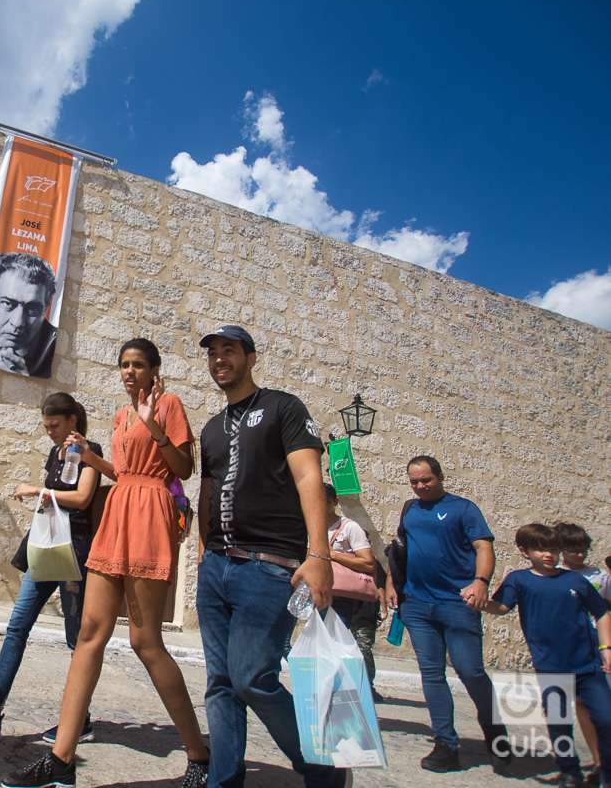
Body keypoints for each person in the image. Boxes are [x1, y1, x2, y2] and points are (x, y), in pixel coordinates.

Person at [0, 339, 208, 788]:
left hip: (150, 512)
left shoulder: (168, 404)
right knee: (90, 634)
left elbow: (182, 469)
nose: (129, 372)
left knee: (145, 641)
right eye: (124, 365)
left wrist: (154, 427)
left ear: (154, 369)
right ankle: (61, 760)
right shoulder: (120, 413)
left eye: (137, 365)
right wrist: (95, 461)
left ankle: (198, 753)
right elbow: (125, 471)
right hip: (118, 511)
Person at [192, 324, 343, 788]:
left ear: (251, 357)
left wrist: (319, 555)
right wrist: (202, 553)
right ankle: (224, 778)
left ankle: (321, 766)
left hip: (269, 563)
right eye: (214, 352)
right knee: (219, 683)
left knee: (252, 677)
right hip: (216, 566)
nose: (220, 359)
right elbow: (208, 489)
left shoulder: (283, 407)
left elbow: (307, 479)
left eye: (230, 350)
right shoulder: (212, 428)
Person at [0, 392, 102, 743]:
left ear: (72, 420)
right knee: (17, 626)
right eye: (46, 426)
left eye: (55, 425)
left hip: (74, 552)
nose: (50, 432)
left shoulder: (91, 451)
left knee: (77, 638)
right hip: (46, 547)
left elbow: (81, 499)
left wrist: (37, 491)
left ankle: (81, 720)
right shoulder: (55, 452)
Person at [385, 455, 512, 774]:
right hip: (416, 604)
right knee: (431, 673)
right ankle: (446, 744)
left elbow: (483, 547)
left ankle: (496, 733)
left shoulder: (463, 509)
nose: (420, 486)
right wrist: (391, 584)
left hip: (457, 603)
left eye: (425, 480)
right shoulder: (410, 509)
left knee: (471, 671)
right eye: (414, 481)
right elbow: (399, 548)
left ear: (440, 477)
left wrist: (481, 582)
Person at [484, 523, 611, 788]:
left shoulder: (575, 580)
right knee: (558, 722)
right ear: (524, 551)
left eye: (553, 549)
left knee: (606, 719)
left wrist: (606, 649)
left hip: (587, 665)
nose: (548, 555)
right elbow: (502, 606)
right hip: (550, 666)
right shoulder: (519, 580)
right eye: (540, 549)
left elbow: (602, 613)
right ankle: (570, 772)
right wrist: (480, 601)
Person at [556, 522, 611, 784]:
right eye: (573, 550)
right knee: (574, 705)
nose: (579, 555)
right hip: (562, 646)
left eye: (583, 549)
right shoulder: (551, 574)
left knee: (599, 707)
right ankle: (592, 761)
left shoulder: (599, 577)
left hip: (594, 646)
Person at [323, 483, 380, 698]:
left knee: (341, 645)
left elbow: (368, 563)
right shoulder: (310, 526)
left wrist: (332, 554)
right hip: (319, 593)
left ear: (334, 503)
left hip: (343, 597)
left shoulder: (349, 527)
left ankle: (355, 691)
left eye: (324, 502)